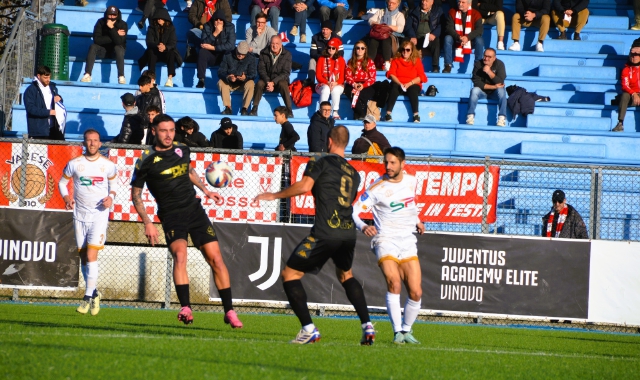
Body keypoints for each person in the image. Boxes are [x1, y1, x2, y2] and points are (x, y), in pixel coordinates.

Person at [253, 126, 375, 345]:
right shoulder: (354, 174)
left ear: (329, 141)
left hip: (325, 230)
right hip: (348, 233)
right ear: (345, 143)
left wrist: (274, 195)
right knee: (346, 275)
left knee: (290, 275)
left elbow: (304, 186)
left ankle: (308, 329)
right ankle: (367, 325)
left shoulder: (320, 161)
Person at [131, 114, 244, 328]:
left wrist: (205, 190)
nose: (168, 135)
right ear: (154, 131)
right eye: (164, 130)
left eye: (171, 130)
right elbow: (136, 194)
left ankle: (229, 310)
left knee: (216, 259)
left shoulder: (182, 149)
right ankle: (186, 307)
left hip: (194, 210)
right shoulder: (145, 159)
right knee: (180, 256)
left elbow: (189, 171)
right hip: (171, 215)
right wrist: (147, 221)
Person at [352, 146, 424, 344]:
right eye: (386, 162)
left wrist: (417, 220)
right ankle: (397, 332)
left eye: (392, 162)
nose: (388, 166)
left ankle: (407, 330)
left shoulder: (411, 181)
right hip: (385, 239)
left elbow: (410, 204)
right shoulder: (377, 188)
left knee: (416, 292)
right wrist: (362, 226)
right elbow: (354, 211)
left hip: (407, 240)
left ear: (403, 164)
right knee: (394, 282)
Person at [58, 129, 117, 316]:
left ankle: (86, 298)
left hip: (99, 215)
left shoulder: (108, 165)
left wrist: (111, 197)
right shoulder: (75, 164)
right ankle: (95, 293)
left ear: (100, 143)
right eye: (88, 140)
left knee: (92, 256)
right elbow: (61, 183)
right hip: (79, 215)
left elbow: (114, 186)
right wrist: (67, 198)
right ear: (84, 143)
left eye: (95, 140)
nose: (92, 143)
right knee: (84, 258)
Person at [80, 6, 128, 84]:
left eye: (114, 15)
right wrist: (115, 34)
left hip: (116, 52)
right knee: (93, 47)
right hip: (103, 51)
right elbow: (97, 40)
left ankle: (121, 76)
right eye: (110, 15)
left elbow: (119, 42)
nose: (112, 17)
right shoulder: (100, 22)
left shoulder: (123, 24)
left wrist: (112, 28)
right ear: (106, 14)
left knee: (118, 47)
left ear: (117, 15)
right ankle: (87, 74)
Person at [250, 35, 294, 116]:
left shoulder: (287, 54)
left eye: (277, 43)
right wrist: (268, 82)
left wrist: (273, 82)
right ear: (270, 44)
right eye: (273, 43)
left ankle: (289, 110)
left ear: (281, 44)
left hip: (279, 81)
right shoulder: (263, 53)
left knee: (283, 84)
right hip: (266, 80)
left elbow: (286, 73)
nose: (274, 46)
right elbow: (261, 70)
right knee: (259, 83)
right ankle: (254, 108)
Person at [384, 41, 427, 123]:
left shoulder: (416, 61)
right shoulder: (396, 60)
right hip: (398, 82)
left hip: (412, 83)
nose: (405, 52)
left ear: (411, 51)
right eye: (403, 49)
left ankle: (416, 115)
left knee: (413, 90)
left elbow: (421, 76)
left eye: (408, 50)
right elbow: (392, 74)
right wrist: (400, 83)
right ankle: (388, 114)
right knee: (394, 88)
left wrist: (409, 83)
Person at [138, 8, 181, 87]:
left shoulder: (171, 28)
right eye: (158, 18)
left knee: (171, 53)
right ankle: (151, 80)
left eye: (161, 18)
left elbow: (173, 42)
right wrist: (158, 46)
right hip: (155, 51)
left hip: (166, 51)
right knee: (151, 52)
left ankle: (170, 79)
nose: (159, 20)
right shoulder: (151, 28)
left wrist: (165, 47)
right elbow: (149, 42)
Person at [466, 48, 507, 127]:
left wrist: (489, 72)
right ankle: (470, 116)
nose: (486, 58)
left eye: (489, 57)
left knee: (501, 90)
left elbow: (501, 82)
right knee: (474, 90)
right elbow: (476, 82)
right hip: (482, 92)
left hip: (495, 93)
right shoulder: (478, 64)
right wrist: (494, 86)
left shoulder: (500, 64)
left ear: (494, 58)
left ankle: (502, 118)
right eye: (485, 56)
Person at [196, 10, 236, 89]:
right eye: (216, 19)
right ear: (213, 20)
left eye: (221, 20)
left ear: (224, 21)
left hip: (223, 56)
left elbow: (231, 45)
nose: (218, 22)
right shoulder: (207, 26)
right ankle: (201, 80)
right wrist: (215, 33)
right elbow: (203, 43)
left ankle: (229, 79)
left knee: (229, 53)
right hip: (211, 55)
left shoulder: (230, 27)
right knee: (202, 52)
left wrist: (213, 48)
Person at [442, 0, 484, 74]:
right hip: (456, 38)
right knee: (447, 38)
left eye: (463, 2)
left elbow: (479, 30)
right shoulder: (452, 12)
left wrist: (467, 37)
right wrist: (459, 37)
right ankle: (447, 65)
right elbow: (449, 28)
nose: (460, 4)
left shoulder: (476, 14)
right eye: (459, 2)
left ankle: (478, 66)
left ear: (469, 4)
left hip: (470, 39)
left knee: (479, 40)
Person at [24, 66, 64, 140]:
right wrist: (48, 112)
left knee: (61, 148)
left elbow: (58, 103)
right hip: (39, 131)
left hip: (54, 128)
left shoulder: (52, 87)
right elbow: (30, 109)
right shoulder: (31, 90)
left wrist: (60, 98)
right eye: (45, 77)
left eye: (49, 77)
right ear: (39, 76)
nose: (48, 80)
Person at [217, 41, 257, 116]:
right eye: (239, 53)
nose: (240, 55)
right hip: (230, 82)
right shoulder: (227, 55)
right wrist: (228, 77)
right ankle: (228, 108)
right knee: (221, 82)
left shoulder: (251, 58)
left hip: (243, 83)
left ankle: (244, 109)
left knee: (251, 83)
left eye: (243, 54)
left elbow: (253, 74)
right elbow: (221, 72)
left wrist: (245, 78)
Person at [404, 0, 443, 73]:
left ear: (432, 2)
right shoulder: (414, 11)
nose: (424, 2)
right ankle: (403, 65)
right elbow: (408, 26)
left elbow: (441, 25)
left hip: (429, 39)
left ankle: (435, 67)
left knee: (436, 41)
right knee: (405, 41)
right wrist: (412, 36)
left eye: (426, 1)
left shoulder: (438, 11)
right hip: (416, 38)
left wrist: (434, 34)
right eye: (423, 0)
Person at [367, 0, 406, 72]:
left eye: (393, 3)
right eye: (389, 2)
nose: (391, 4)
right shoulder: (381, 12)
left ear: (398, 4)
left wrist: (387, 27)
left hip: (391, 35)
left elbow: (400, 28)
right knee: (373, 40)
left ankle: (387, 63)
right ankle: (369, 63)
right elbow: (370, 20)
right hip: (379, 34)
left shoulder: (399, 15)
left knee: (386, 39)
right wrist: (375, 23)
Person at [344, 41, 377, 120]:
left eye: (362, 48)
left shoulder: (370, 62)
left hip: (366, 84)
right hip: (353, 84)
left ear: (365, 50)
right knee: (352, 93)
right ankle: (362, 115)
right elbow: (347, 76)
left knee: (362, 95)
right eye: (358, 48)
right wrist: (354, 84)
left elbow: (372, 78)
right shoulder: (350, 62)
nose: (360, 50)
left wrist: (363, 85)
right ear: (355, 50)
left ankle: (357, 116)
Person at [316, 38, 346, 120]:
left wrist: (335, 83)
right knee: (326, 89)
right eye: (329, 47)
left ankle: (335, 112)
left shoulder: (341, 60)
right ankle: (321, 111)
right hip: (323, 83)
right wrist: (327, 82)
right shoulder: (321, 59)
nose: (331, 49)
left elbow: (343, 77)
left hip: (337, 84)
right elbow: (318, 76)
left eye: (333, 48)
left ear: (336, 49)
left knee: (335, 90)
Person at [612, 45, 640, 132]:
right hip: (631, 96)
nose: (634, 57)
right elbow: (625, 85)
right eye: (632, 55)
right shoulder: (626, 69)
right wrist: (634, 94)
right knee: (625, 95)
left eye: (636, 55)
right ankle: (620, 123)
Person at [308, 21, 343, 86]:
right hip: (320, 60)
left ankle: (338, 83)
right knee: (312, 61)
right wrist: (324, 58)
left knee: (341, 61)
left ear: (331, 30)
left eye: (327, 29)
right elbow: (312, 53)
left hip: (333, 60)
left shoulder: (338, 38)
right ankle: (311, 84)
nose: (325, 31)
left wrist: (330, 58)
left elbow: (341, 53)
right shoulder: (315, 38)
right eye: (323, 29)